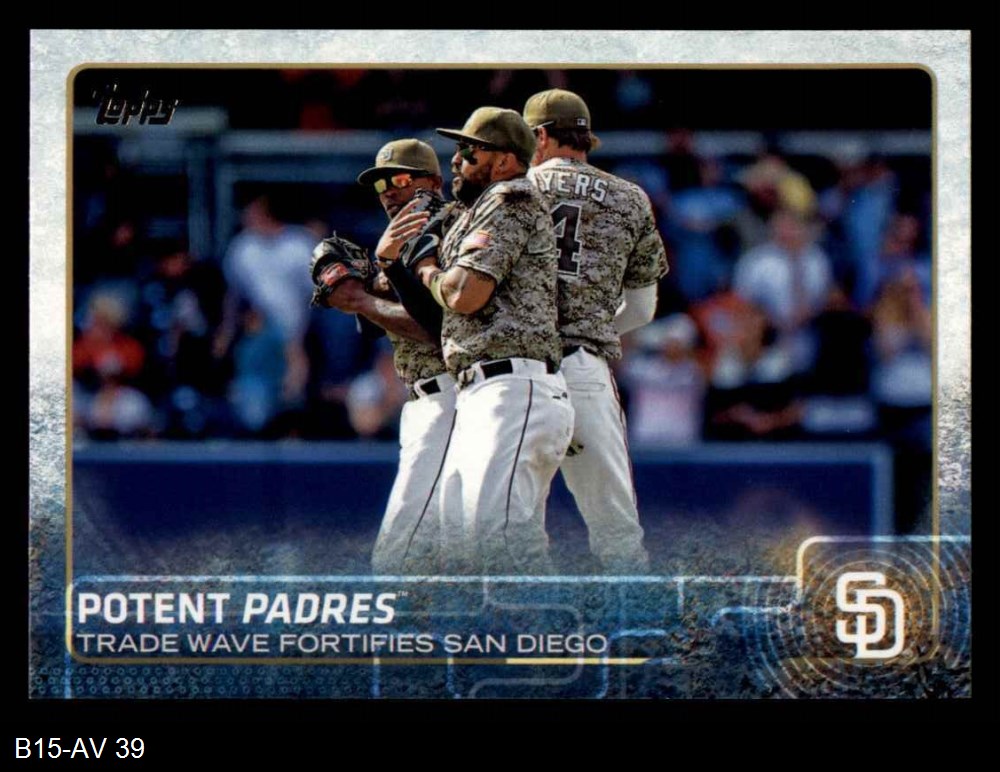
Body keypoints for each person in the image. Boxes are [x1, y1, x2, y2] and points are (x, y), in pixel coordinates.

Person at [403, 107, 574, 574]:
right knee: (462, 546)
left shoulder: (511, 196)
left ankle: (563, 622)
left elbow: (465, 294)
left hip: (513, 387)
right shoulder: (477, 209)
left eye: (469, 150)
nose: (456, 160)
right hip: (481, 391)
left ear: (504, 161)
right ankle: (521, 621)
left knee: (497, 540)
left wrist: (426, 270)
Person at [522, 89, 668, 572]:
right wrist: (594, 329)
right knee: (616, 530)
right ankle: (638, 619)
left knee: (518, 529)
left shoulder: (509, 190)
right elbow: (643, 308)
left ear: (540, 135)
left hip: (518, 375)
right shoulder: (630, 197)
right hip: (584, 368)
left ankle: (527, 618)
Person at [319, 139, 457, 573]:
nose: (389, 192)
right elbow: (378, 326)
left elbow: (440, 331)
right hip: (427, 400)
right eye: (381, 184)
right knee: (445, 552)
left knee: (398, 552)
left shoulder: (450, 229)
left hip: (453, 398)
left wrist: (363, 299)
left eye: (400, 179)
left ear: (433, 182)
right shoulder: (394, 241)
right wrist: (355, 292)